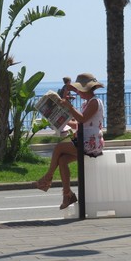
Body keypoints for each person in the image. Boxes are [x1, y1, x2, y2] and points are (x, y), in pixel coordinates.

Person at [35, 73, 105, 210]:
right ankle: (67, 194)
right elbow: (79, 123)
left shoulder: (95, 102)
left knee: (59, 148)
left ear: (86, 89)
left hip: (91, 143)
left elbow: (83, 119)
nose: (77, 92)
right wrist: (60, 119)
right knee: (62, 160)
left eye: (79, 90)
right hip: (84, 140)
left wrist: (69, 107)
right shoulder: (87, 103)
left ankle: (47, 178)